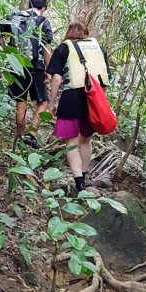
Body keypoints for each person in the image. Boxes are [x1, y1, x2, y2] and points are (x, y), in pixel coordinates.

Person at [46, 19, 109, 192]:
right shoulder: (98, 48)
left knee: (71, 141)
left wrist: (52, 103)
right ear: (86, 32)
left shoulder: (64, 48)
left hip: (71, 98)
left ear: (69, 32)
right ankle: (84, 173)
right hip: (94, 98)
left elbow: (57, 78)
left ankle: (79, 181)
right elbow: (104, 76)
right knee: (86, 139)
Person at [0, 0, 53, 148]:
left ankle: (19, 135)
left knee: (20, 99)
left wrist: (7, 53)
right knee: (42, 102)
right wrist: (49, 70)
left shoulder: (13, 17)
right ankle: (31, 134)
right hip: (36, 67)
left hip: (16, 65)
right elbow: (46, 47)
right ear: (43, 9)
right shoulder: (43, 21)